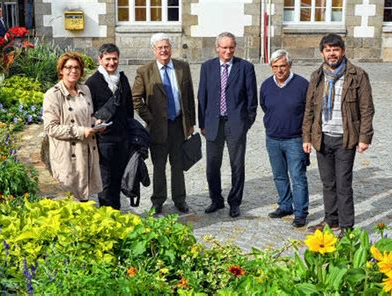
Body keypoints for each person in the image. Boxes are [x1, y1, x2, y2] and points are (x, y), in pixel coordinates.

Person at [302, 33, 375, 236]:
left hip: (346, 137)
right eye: (328, 50)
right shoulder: (317, 76)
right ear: (322, 53)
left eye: (335, 49)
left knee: (343, 184)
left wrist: (364, 137)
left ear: (342, 51)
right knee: (328, 183)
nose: (331, 53)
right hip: (322, 137)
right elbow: (309, 109)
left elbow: (367, 108)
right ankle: (331, 220)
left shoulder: (357, 75)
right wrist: (306, 138)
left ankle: (346, 226)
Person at [132, 33, 196, 214]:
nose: (164, 50)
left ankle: (180, 199)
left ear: (171, 48)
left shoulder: (182, 67)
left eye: (166, 47)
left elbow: (189, 95)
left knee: (178, 165)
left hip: (178, 124)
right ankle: (158, 200)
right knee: (159, 166)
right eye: (160, 48)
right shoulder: (145, 71)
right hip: (157, 128)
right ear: (154, 50)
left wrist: (190, 122)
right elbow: (136, 98)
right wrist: (150, 118)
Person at [198, 32, 258, 218]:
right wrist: (202, 123)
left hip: (236, 124)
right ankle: (216, 200)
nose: (228, 51)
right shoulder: (207, 67)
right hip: (213, 124)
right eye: (224, 47)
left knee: (237, 165)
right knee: (212, 166)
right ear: (217, 48)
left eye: (231, 47)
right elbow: (202, 96)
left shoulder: (245, 67)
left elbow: (251, 99)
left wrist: (246, 123)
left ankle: (235, 202)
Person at [43, 52, 103, 201]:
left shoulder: (85, 90)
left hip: (86, 151)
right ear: (61, 70)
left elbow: (86, 116)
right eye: (68, 67)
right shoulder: (53, 95)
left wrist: (95, 123)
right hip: (67, 154)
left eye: (77, 67)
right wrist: (81, 131)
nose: (73, 71)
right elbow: (50, 128)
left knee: (84, 197)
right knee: (68, 198)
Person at [260, 49, 310, 227]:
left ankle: (300, 212)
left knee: (297, 176)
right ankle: (285, 205)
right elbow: (265, 106)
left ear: (290, 65)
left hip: (295, 139)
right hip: (272, 138)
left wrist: (307, 138)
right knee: (279, 175)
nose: (279, 70)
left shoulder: (302, 85)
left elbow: (309, 113)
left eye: (283, 66)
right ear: (271, 67)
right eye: (275, 66)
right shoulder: (266, 85)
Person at [86, 43, 134, 210]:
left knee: (117, 179)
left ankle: (116, 214)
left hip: (122, 139)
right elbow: (87, 112)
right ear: (100, 59)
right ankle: (107, 218)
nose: (111, 63)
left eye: (115, 59)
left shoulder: (123, 79)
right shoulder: (91, 83)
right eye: (108, 59)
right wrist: (94, 122)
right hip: (103, 141)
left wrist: (131, 136)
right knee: (105, 182)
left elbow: (129, 110)